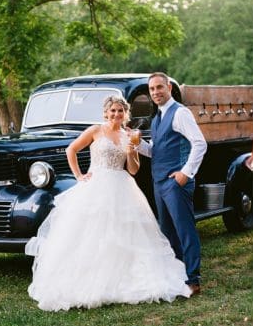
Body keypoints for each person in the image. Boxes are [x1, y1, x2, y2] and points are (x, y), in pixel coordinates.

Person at [25, 94, 191, 311]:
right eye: (112, 110)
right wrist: (79, 176)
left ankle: (124, 277)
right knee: (90, 233)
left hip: (121, 185)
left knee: (124, 233)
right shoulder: (96, 130)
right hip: (96, 184)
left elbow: (133, 169)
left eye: (120, 111)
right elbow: (71, 149)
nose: (116, 114)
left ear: (125, 113)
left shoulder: (128, 135)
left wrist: (131, 151)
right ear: (106, 112)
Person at [136, 72, 208, 294]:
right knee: (167, 231)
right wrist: (138, 143)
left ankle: (193, 279)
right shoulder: (157, 117)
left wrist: (186, 173)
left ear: (169, 87)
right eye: (152, 89)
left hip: (175, 183)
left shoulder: (180, 113)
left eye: (159, 87)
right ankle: (178, 274)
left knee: (185, 230)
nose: (156, 92)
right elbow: (155, 151)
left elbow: (200, 144)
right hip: (159, 183)